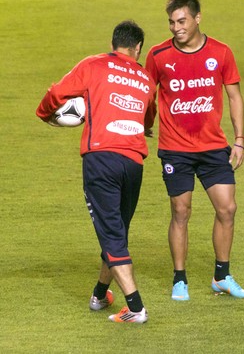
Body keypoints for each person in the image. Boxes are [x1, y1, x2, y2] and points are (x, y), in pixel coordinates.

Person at [36, 20, 155, 323]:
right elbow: (149, 117)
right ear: (137, 48)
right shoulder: (144, 77)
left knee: (113, 236)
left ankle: (136, 308)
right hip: (134, 162)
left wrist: (46, 115)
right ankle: (100, 294)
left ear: (114, 42)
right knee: (118, 230)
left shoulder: (94, 65)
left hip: (102, 159)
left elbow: (56, 92)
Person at [145, 0, 244, 301]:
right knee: (181, 210)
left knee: (227, 208)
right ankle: (180, 279)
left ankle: (222, 275)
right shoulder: (158, 55)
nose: (176, 28)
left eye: (182, 21)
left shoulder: (220, 52)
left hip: (212, 147)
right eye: (171, 23)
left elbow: (235, 96)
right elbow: (146, 93)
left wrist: (240, 140)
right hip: (175, 148)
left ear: (197, 18)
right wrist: (146, 123)